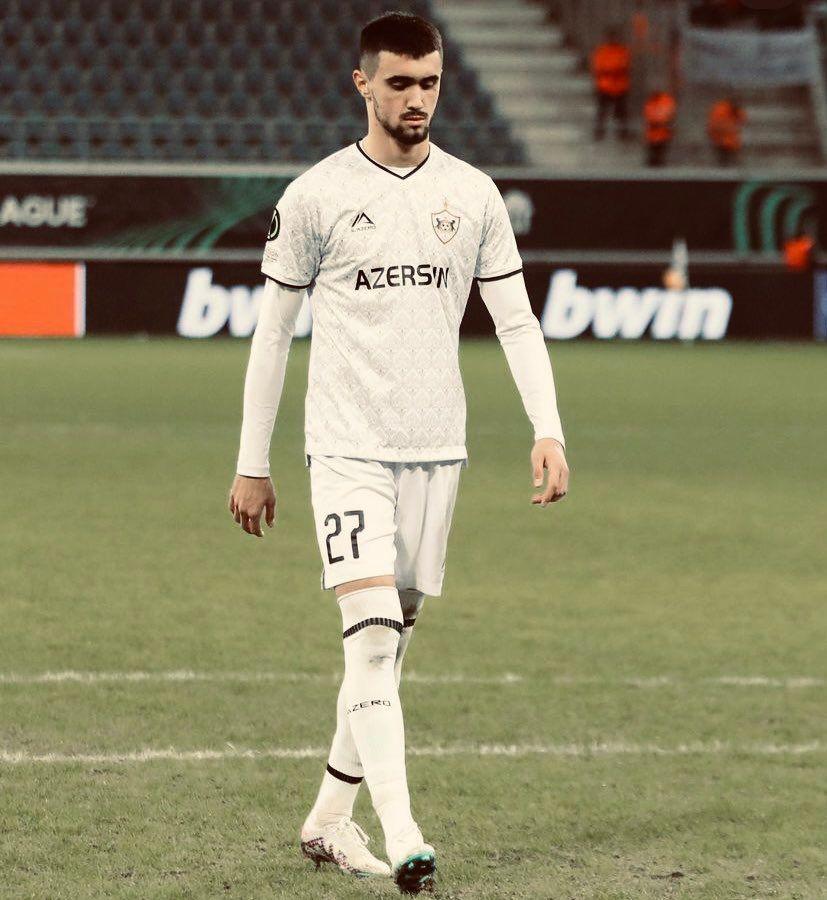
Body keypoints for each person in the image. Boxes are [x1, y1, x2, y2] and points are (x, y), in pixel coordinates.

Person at [227, 11, 568, 896]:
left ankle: (328, 820)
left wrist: (548, 427)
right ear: (363, 84)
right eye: (400, 83)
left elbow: (516, 320)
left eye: (429, 83)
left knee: (385, 646)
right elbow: (273, 335)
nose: (417, 98)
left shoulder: (473, 195)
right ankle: (406, 833)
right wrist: (252, 461)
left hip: (436, 449)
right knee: (374, 638)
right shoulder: (317, 195)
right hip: (346, 446)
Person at [591, 26, 631, 140]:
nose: (613, 39)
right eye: (611, 37)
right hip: (605, 86)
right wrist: (613, 70)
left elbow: (625, 66)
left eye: (615, 37)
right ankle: (599, 132)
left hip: (620, 86)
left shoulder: (622, 51)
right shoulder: (601, 51)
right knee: (602, 112)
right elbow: (598, 68)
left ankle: (622, 133)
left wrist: (612, 70)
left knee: (621, 113)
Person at [708, 97, 746, 166]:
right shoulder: (720, 110)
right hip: (720, 139)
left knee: (729, 149)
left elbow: (742, 120)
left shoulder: (736, 111)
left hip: (728, 141)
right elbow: (716, 125)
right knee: (725, 151)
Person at [643, 89, 676, 167]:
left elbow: (669, 114)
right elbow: (647, 114)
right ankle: (653, 162)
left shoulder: (666, 101)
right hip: (653, 133)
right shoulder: (650, 102)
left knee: (659, 149)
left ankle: (658, 162)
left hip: (662, 131)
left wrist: (659, 121)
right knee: (653, 149)